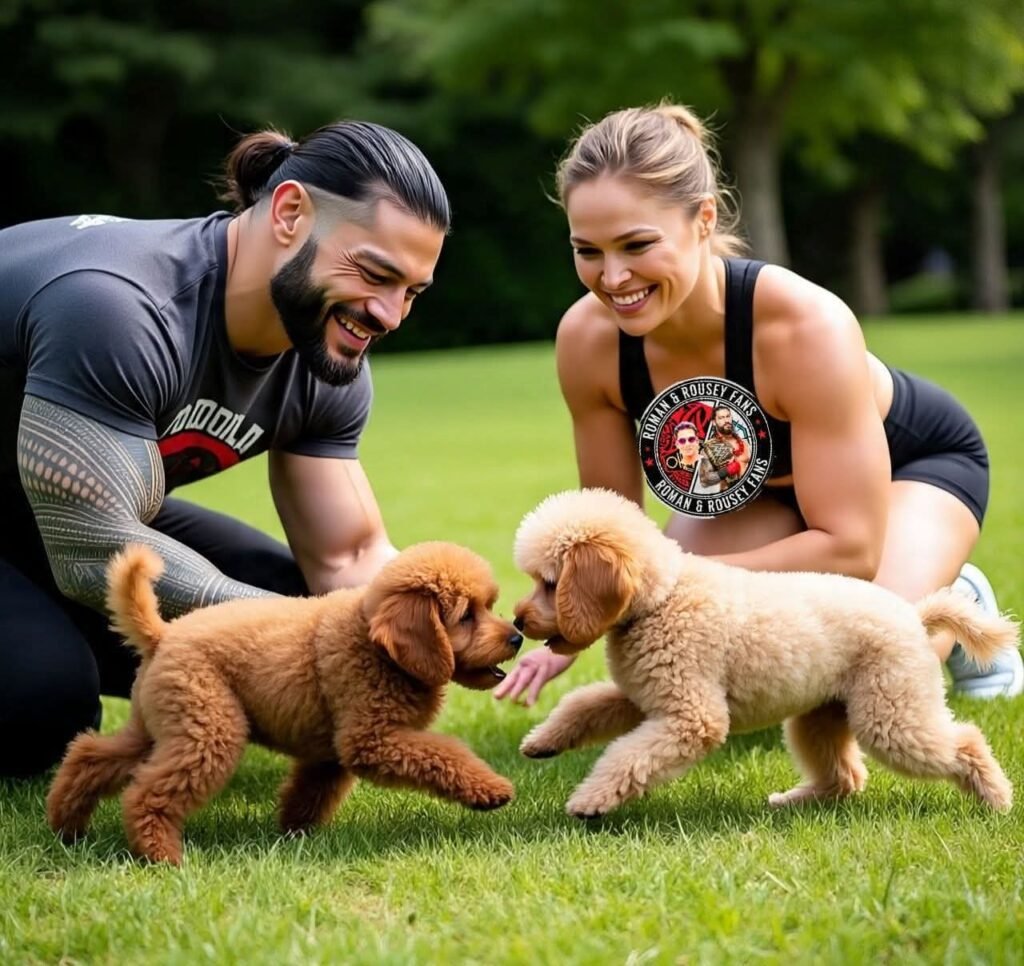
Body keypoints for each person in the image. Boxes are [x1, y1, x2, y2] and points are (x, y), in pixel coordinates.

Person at [494, 102, 1022, 707]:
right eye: (588, 251)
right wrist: (575, 624)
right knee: (690, 636)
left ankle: (952, 608)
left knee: (851, 676)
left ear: (702, 219)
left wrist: (671, 584)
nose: (612, 277)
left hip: (911, 470)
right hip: (759, 491)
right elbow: (617, 529)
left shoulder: (804, 325)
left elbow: (850, 547)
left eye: (636, 245)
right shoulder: (588, 342)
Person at [0, 120, 449, 777]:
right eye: (374, 273)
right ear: (291, 212)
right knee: (42, 700)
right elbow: (91, 552)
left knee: (313, 607)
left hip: (48, 515)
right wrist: (306, 635)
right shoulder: (120, 307)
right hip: (77, 532)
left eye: (410, 291)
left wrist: (431, 629)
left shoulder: (324, 354)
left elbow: (346, 557)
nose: (389, 315)